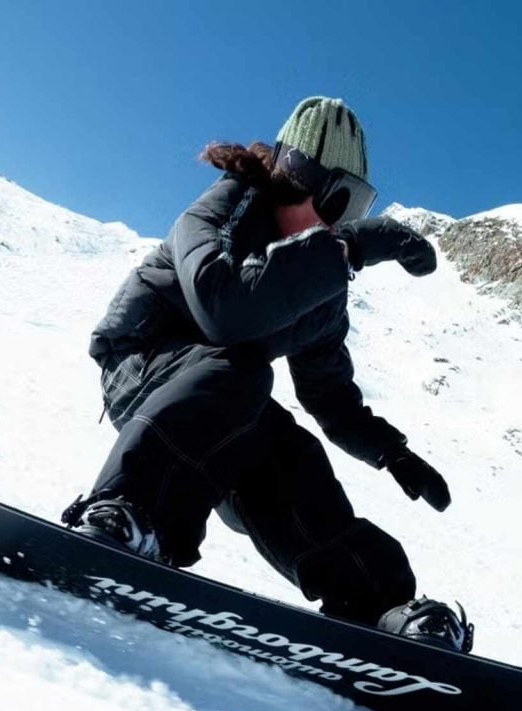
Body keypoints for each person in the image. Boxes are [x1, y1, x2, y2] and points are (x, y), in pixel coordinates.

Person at [62, 96, 473, 653]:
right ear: (293, 178)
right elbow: (225, 310)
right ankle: (130, 516)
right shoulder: (220, 213)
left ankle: (377, 606)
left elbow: (329, 393)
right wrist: (347, 248)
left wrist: (390, 450)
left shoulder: (320, 289)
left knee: (291, 456)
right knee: (240, 369)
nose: (336, 222)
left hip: (221, 403)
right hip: (143, 368)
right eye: (337, 201)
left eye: (353, 209)